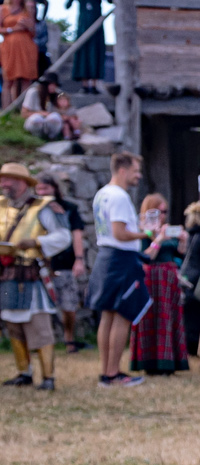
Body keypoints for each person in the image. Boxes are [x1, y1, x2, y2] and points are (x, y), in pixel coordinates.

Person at [0, 162, 66, 391]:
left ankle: (48, 377)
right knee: (11, 322)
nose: (3, 184)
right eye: (2, 179)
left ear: (22, 183)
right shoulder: (0, 206)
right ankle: (23, 373)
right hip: (7, 274)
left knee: (39, 323)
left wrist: (37, 242)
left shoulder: (43, 207)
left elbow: (63, 237)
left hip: (32, 274)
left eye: (7, 180)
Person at [89, 153, 153, 388]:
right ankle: (114, 373)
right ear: (123, 170)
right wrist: (146, 233)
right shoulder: (119, 196)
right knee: (123, 315)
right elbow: (120, 233)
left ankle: (106, 372)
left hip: (106, 257)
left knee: (107, 315)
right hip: (122, 258)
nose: (139, 175)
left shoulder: (102, 193)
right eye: (136, 171)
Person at [132, 194, 189, 375]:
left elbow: (180, 254)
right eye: (159, 212)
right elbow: (146, 256)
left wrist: (183, 240)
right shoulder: (142, 232)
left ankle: (170, 362)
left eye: (165, 212)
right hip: (151, 277)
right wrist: (159, 239)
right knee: (152, 318)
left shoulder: (167, 230)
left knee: (169, 317)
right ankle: (150, 362)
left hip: (169, 278)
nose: (163, 216)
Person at [35, 175, 87, 351]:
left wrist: (79, 260)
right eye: (39, 189)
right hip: (40, 264)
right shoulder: (32, 210)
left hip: (64, 262)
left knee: (68, 305)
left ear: (54, 189)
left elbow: (76, 234)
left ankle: (69, 339)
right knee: (40, 306)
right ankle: (41, 343)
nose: (42, 193)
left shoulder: (69, 209)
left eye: (46, 189)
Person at [64, 0, 109, 94]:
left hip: (96, 23)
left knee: (95, 51)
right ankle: (84, 84)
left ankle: (94, 84)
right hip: (83, 24)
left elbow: (110, 0)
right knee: (83, 51)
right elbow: (67, 6)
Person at [1, 0, 37, 109]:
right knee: (9, 79)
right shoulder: (3, 9)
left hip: (26, 47)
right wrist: (13, 28)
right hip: (9, 47)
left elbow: (33, 32)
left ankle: (24, 109)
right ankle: (7, 110)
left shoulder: (27, 10)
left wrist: (29, 25)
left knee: (26, 79)